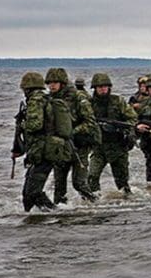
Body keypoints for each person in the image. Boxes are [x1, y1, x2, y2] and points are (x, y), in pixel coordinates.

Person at [46, 68, 99, 203]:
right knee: (59, 184)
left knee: (79, 183)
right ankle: (59, 211)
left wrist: (72, 132)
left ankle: (94, 204)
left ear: (62, 83)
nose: (52, 85)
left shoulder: (78, 98)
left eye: (55, 82)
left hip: (79, 145)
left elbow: (90, 122)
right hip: (60, 146)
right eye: (49, 83)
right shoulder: (49, 99)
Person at [13, 72, 58, 211]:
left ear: (27, 88)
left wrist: (22, 124)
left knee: (31, 192)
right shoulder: (44, 99)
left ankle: (55, 213)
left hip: (43, 151)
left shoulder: (36, 101)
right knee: (28, 194)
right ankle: (38, 219)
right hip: (42, 151)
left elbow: (35, 125)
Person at [88, 73, 138, 196]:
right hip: (99, 147)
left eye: (105, 86)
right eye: (99, 87)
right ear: (95, 88)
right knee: (92, 176)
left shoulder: (118, 101)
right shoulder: (89, 104)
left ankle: (128, 202)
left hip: (118, 146)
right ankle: (95, 200)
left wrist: (120, 129)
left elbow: (132, 119)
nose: (102, 89)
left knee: (122, 182)